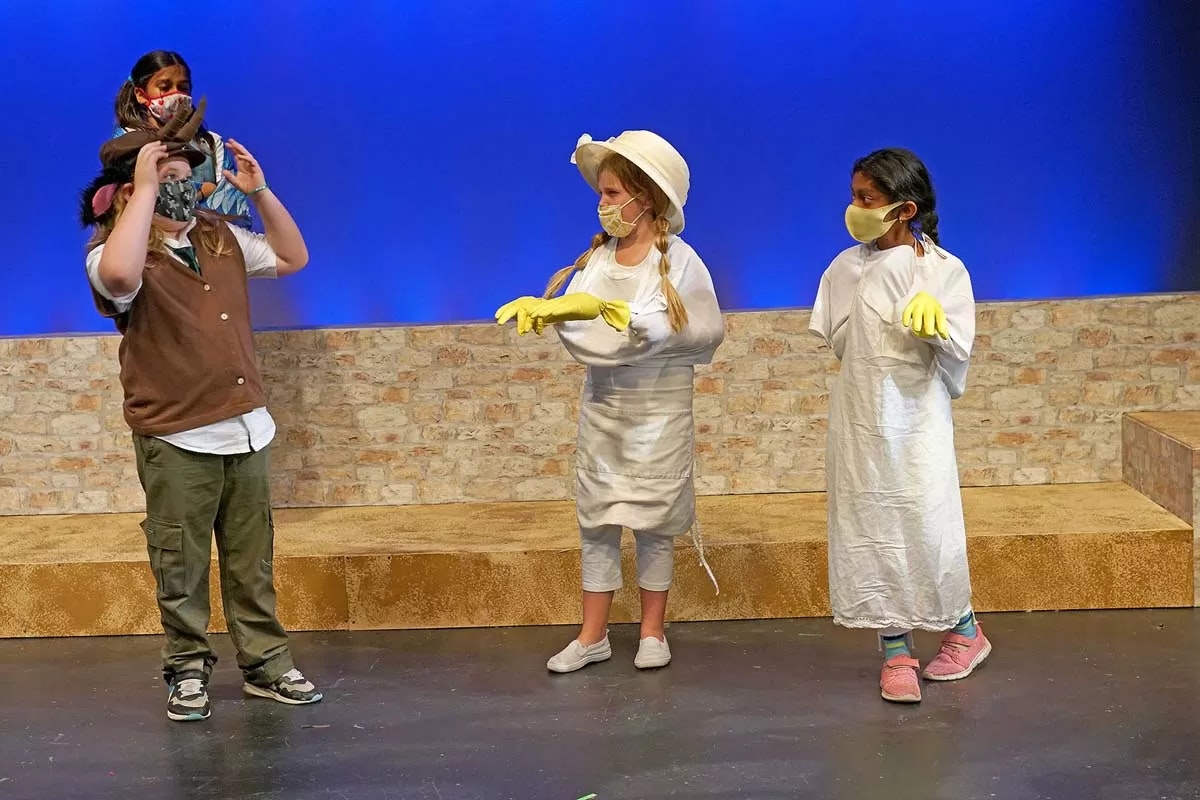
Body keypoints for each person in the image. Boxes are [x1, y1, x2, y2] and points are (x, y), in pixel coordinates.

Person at [79, 98, 320, 721]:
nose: (184, 187)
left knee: (251, 561)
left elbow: (293, 258)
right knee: (180, 565)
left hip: (245, 427)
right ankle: (186, 670)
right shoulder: (113, 251)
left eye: (187, 175)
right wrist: (143, 190)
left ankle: (267, 664)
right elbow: (120, 277)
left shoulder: (221, 237)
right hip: (177, 435)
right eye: (170, 177)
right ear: (135, 187)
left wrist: (261, 193)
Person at [496, 131, 725, 673]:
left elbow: (708, 329)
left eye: (612, 192)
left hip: (659, 412)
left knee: (654, 521)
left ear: (644, 198)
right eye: (600, 193)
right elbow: (587, 326)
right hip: (606, 410)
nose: (602, 204)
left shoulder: (681, 261)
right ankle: (592, 634)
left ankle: (651, 631)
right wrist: (565, 311)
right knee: (597, 519)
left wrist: (648, 329)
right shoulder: (597, 260)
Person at [808, 147, 991, 703]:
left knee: (926, 524)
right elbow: (840, 340)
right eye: (854, 195)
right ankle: (896, 650)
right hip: (862, 419)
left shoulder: (942, 270)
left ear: (904, 208)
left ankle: (965, 631)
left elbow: (957, 349)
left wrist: (936, 325)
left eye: (867, 199)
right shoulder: (845, 267)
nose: (855, 208)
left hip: (917, 422)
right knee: (872, 528)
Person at [113, 50, 250, 225]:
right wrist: (201, 192)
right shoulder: (124, 145)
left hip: (213, 247)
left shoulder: (211, 144)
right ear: (140, 94)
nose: (175, 94)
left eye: (183, 88)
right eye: (164, 87)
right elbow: (130, 209)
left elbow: (234, 212)